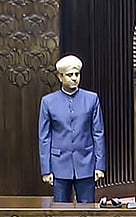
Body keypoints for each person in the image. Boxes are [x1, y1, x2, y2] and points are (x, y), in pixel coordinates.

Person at [39, 54, 106, 203]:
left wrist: (100, 166)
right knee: (61, 214)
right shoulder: (48, 102)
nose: (74, 78)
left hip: (86, 163)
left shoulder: (91, 99)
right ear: (60, 77)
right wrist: (46, 169)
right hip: (59, 165)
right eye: (70, 75)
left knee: (87, 213)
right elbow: (44, 137)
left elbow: (98, 133)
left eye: (77, 74)